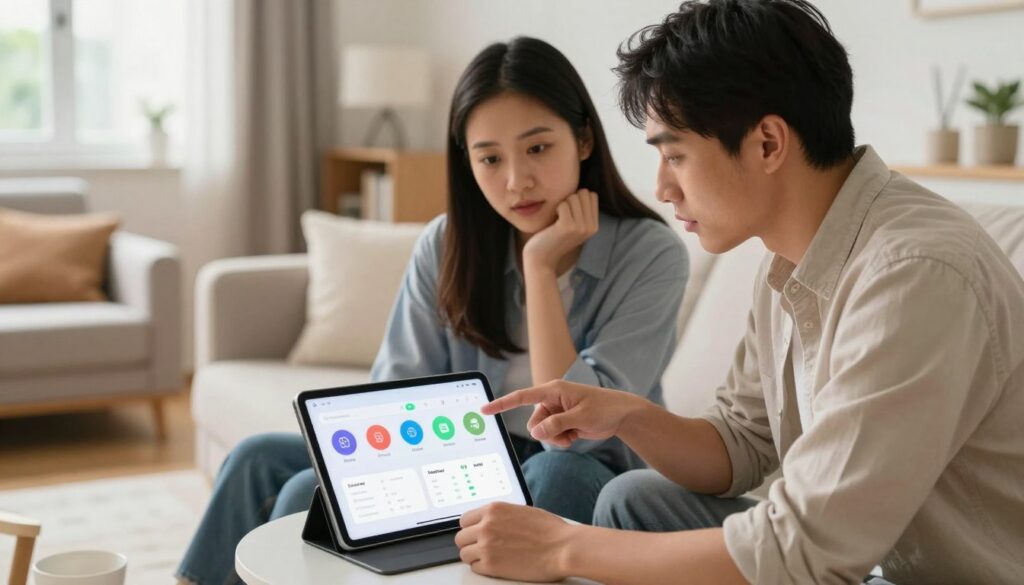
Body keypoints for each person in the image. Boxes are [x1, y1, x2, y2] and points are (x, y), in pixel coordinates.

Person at [453, 2, 1024, 584]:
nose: (662, 187)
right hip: (867, 562)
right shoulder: (790, 257)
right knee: (634, 500)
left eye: (675, 155)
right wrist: (628, 416)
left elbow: (805, 549)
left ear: (769, 143)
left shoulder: (913, 275)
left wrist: (561, 549)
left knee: (591, 519)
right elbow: (743, 444)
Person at [175, 37, 688, 585]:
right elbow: (393, 393)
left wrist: (539, 271)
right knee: (264, 462)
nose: (516, 181)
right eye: (490, 158)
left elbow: (576, 429)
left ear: (583, 139)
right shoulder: (446, 245)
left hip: (580, 466)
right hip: (457, 458)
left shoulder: (650, 255)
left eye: (537, 148)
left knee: (554, 470)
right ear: (467, 162)